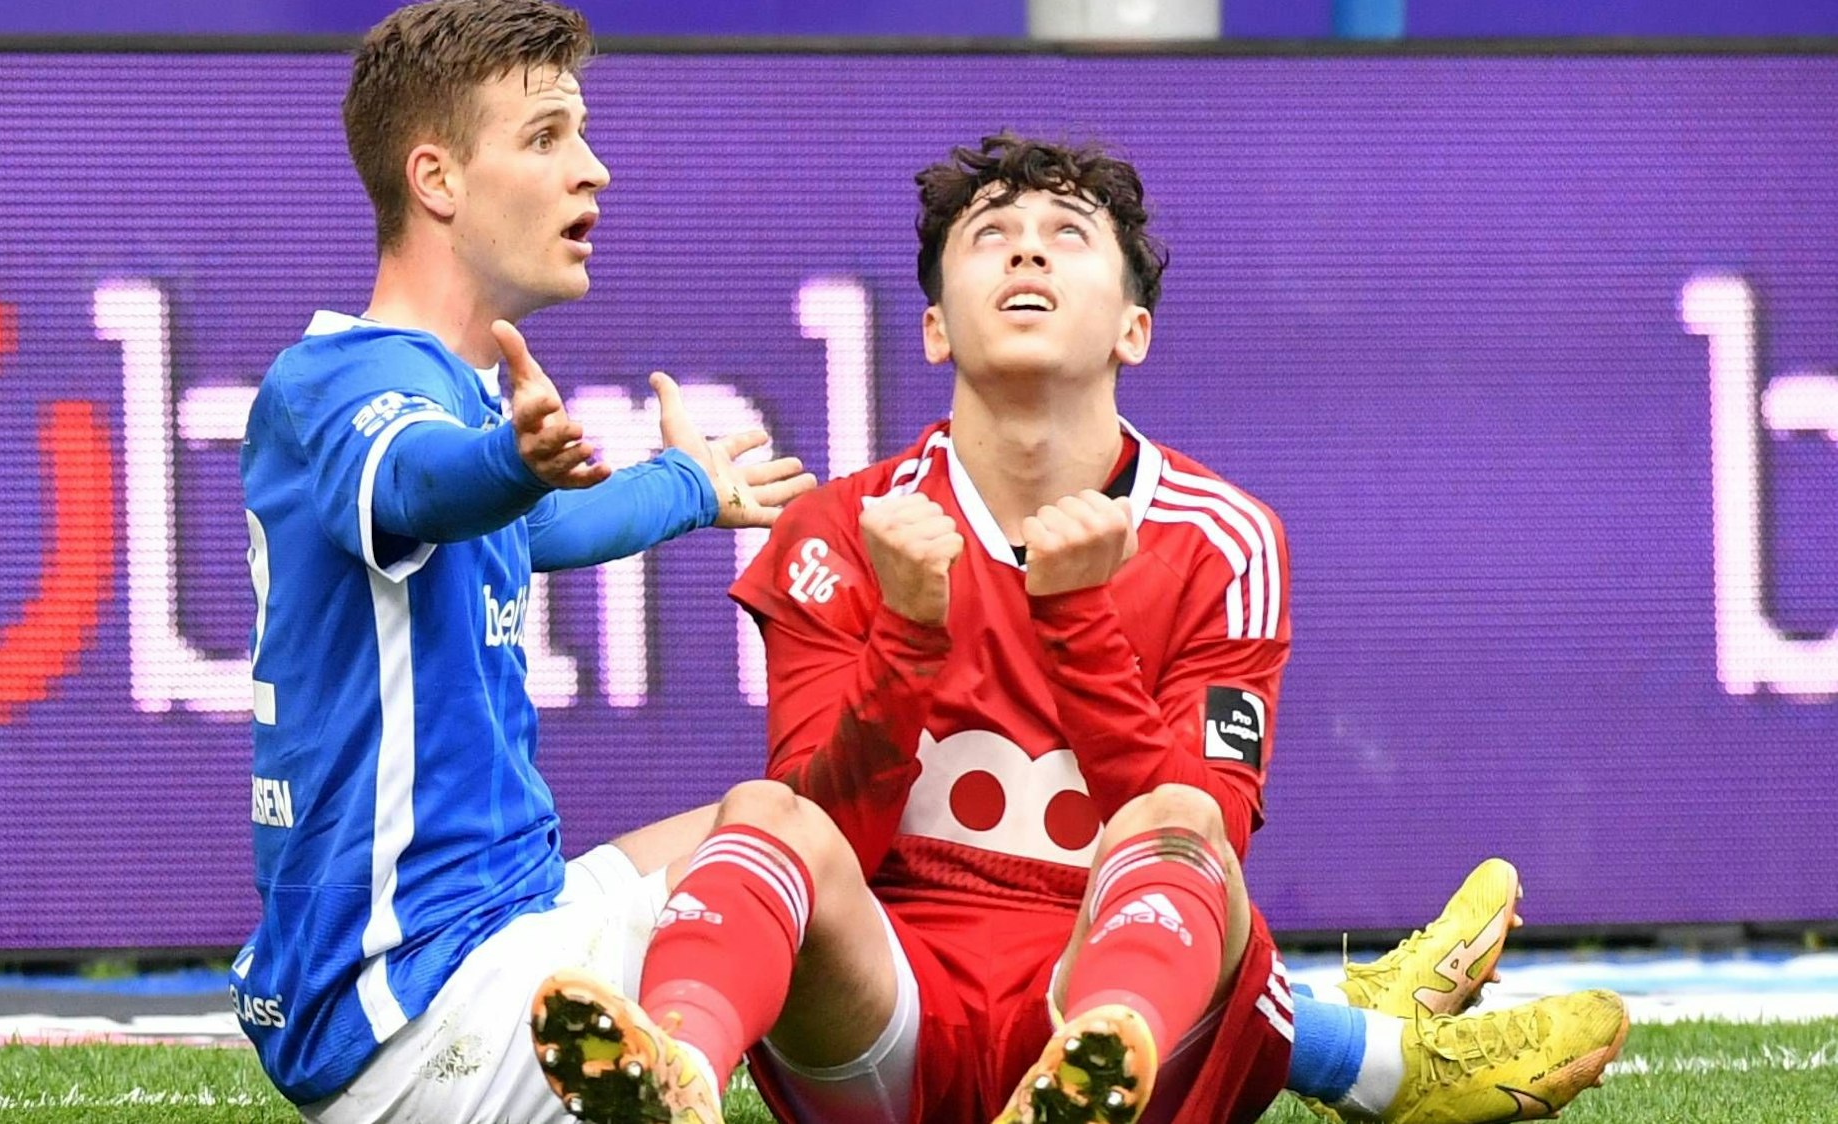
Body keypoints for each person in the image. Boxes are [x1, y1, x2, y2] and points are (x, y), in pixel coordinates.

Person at [527, 135, 1627, 1124]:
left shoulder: (1223, 536)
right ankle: (672, 1070)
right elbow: (834, 845)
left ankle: (1100, 1071)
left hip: (1119, 999)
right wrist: (910, 635)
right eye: (990, 235)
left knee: (1180, 822)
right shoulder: (840, 527)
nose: (1025, 255)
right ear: (930, 327)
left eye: (1066, 236)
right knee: (765, 812)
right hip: (891, 1020)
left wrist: (1075, 617)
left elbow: (1204, 843)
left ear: (1133, 329)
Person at [230, 2, 814, 1121]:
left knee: (793, 828)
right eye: (546, 137)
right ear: (438, 179)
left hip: (503, 935)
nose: (592, 171)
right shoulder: (345, 381)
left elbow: (532, 526)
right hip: (420, 1005)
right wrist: (508, 458)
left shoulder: (433, 386)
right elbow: (420, 482)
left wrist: (687, 487)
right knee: (799, 846)